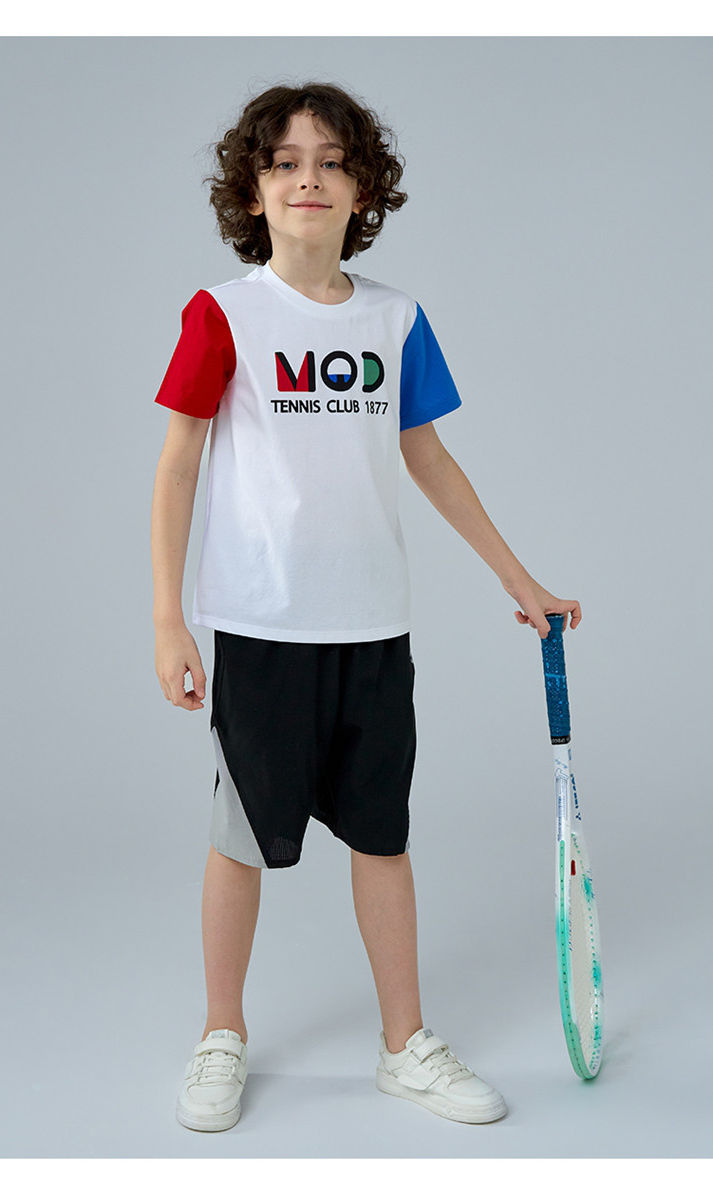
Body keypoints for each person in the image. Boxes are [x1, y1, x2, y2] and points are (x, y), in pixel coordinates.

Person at [150, 81, 581, 1134]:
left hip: (374, 630)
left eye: (332, 162)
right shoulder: (224, 314)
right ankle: (220, 1033)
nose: (309, 179)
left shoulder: (397, 318)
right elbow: (178, 465)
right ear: (252, 191)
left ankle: (405, 1044)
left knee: (383, 838)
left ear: (363, 190)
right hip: (263, 627)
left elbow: (427, 456)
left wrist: (517, 578)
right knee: (240, 839)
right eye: (285, 163)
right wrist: (168, 619)